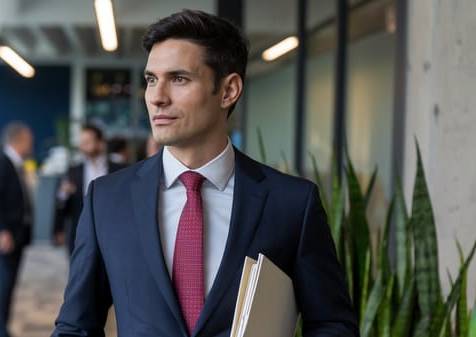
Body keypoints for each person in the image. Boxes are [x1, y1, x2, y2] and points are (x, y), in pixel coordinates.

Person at [52, 9, 358, 337]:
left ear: (228, 91)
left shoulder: (292, 203)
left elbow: (332, 325)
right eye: (151, 79)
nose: (156, 97)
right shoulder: (107, 199)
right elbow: (76, 327)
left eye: (179, 79)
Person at [0, 121, 34, 337]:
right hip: (3, 238)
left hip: (17, 235)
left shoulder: (16, 164)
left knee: (8, 284)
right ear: (20, 140)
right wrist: (2, 231)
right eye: (29, 139)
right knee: (4, 284)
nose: (31, 143)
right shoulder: (0, 163)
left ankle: (1, 329)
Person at [52, 124, 126, 255]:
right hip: (80, 233)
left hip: (113, 234)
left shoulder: (120, 169)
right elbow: (61, 204)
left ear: (101, 143)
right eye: (81, 142)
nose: (83, 146)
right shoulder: (73, 171)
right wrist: (58, 229)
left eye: (87, 142)